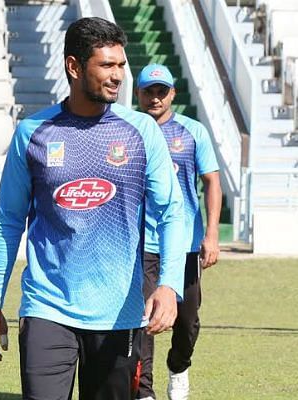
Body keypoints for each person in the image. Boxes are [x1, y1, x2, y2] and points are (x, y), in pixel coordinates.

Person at [0, 17, 186, 400]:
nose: (118, 76)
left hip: (119, 313)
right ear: (74, 67)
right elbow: (9, 221)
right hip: (47, 306)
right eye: (106, 65)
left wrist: (169, 284)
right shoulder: (34, 133)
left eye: (121, 65)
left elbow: (172, 212)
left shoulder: (142, 132)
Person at [134, 64, 222, 400]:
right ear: (138, 94)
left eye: (161, 91)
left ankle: (179, 367)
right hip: (142, 244)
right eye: (148, 91)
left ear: (173, 93)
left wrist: (211, 235)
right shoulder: (129, 130)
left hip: (183, 244)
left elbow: (212, 182)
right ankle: (144, 392)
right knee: (145, 320)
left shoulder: (192, 131)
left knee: (187, 322)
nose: (155, 97)